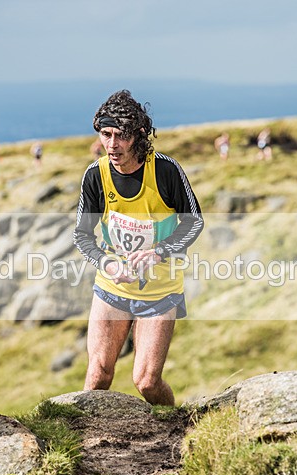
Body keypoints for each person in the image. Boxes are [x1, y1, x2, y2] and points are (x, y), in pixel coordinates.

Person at [73, 90, 204, 406]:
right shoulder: (96, 175)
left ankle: (175, 427)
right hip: (112, 288)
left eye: (121, 136)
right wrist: (107, 263)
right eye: (106, 134)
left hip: (159, 293)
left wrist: (157, 252)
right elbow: (82, 236)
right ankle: (82, 445)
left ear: (139, 135)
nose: (112, 145)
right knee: (98, 375)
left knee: (146, 382)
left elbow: (194, 222)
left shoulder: (165, 170)